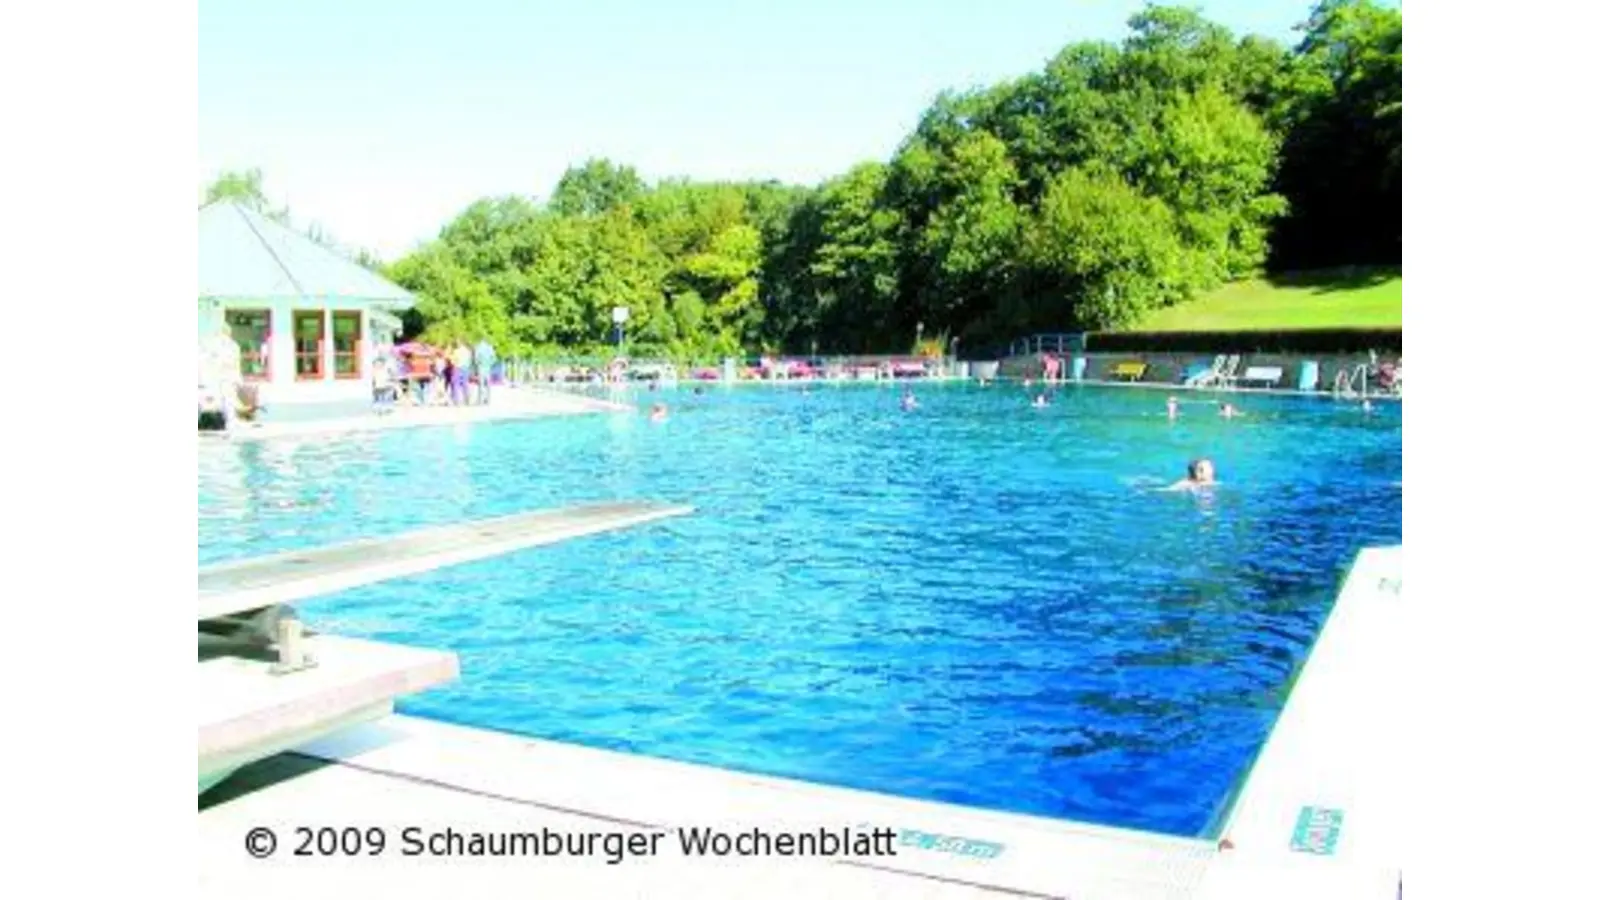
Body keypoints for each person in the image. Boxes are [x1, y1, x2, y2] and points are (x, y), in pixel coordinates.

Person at [472, 338, 498, 406]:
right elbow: (494, 358)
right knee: (488, 385)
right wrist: (489, 363)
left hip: (481, 368)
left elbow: (475, 359)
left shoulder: (478, 347)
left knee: (481, 385)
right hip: (488, 368)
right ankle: (488, 400)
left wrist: (478, 364)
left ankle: (480, 400)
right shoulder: (490, 347)